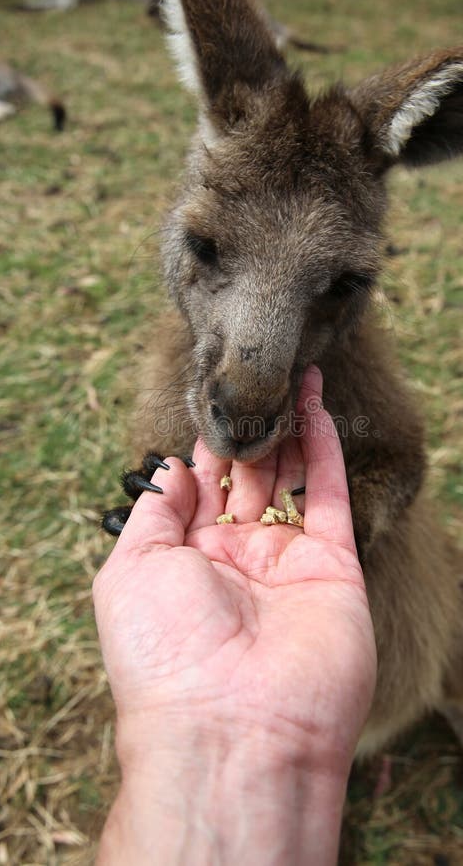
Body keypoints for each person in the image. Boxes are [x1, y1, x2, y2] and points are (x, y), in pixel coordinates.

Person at [93, 366, 377, 865]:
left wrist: (361, 512)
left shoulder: (360, 377)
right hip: (319, 621)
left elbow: (402, 461)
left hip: (360, 616)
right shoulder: (178, 374)